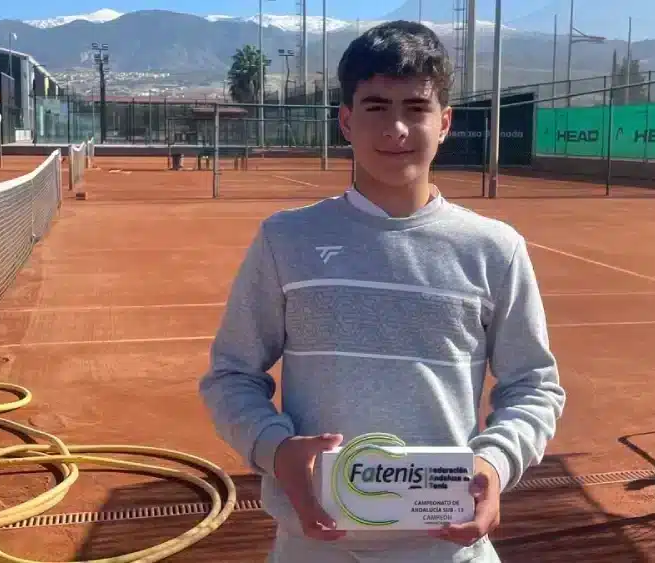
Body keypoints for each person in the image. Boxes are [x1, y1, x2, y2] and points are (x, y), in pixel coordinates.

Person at [199, 19, 566, 563]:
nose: (396, 128)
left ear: (444, 123)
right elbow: (231, 375)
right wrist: (277, 452)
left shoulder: (495, 249)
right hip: (312, 544)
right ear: (346, 121)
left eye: (415, 109)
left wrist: (495, 463)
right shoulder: (285, 239)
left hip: (449, 547)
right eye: (375, 106)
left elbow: (535, 386)